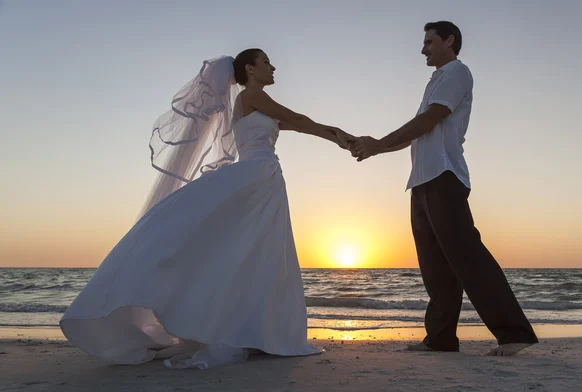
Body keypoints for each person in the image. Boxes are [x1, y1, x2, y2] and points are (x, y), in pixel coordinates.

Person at [60, 49, 354, 369]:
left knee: (255, 251)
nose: (273, 66)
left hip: (263, 177)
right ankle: (259, 331)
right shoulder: (253, 95)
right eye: (266, 61)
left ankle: (255, 330)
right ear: (250, 70)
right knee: (260, 250)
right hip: (258, 177)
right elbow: (298, 119)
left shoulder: (255, 105)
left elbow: (295, 125)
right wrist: (338, 134)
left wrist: (335, 135)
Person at [347, 21, 539, 356]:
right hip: (421, 181)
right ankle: (440, 339)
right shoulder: (436, 80)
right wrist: (377, 147)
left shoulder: (456, 72)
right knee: (435, 265)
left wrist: (378, 143)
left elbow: (430, 120)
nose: (423, 49)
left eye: (429, 42)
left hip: (444, 177)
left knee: (467, 255)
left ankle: (515, 334)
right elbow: (416, 133)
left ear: (449, 41)